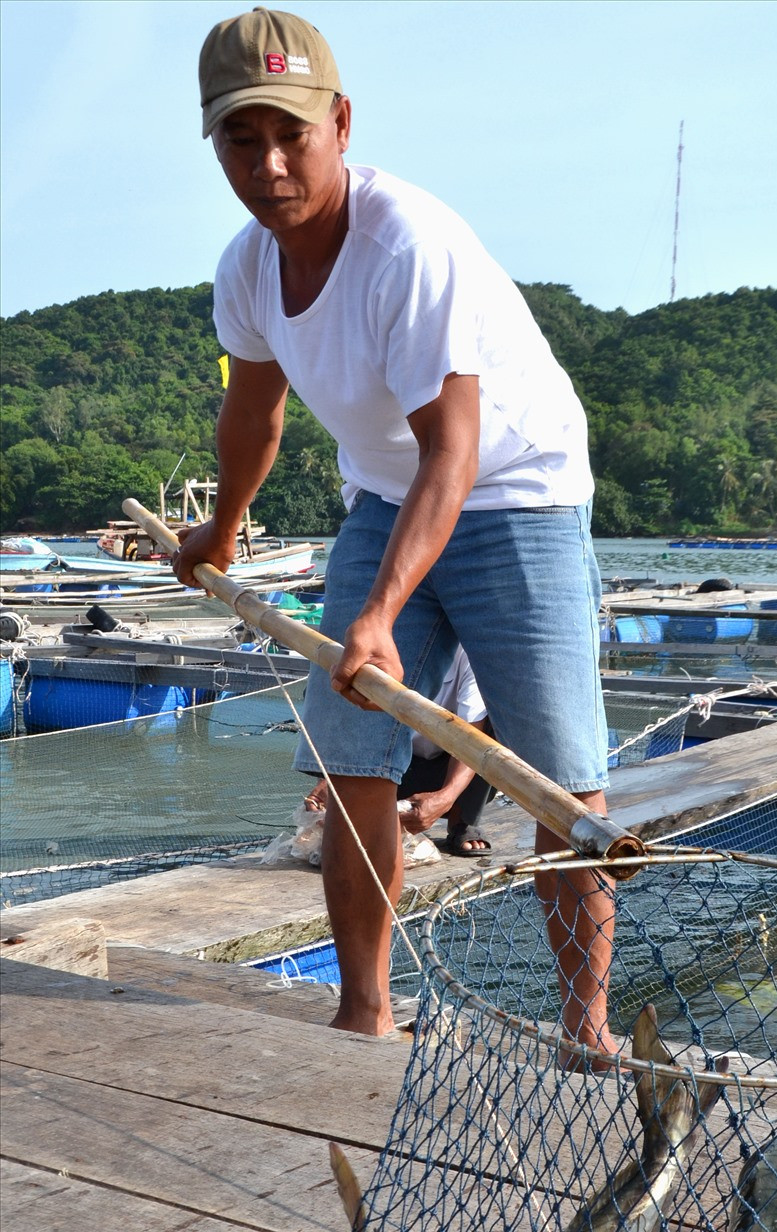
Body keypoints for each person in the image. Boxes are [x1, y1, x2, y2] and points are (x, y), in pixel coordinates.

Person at [176, 7, 616, 1067]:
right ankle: (364, 1013)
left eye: (293, 134)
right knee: (354, 758)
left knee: (562, 782)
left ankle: (587, 1032)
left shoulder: (405, 243)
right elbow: (254, 414)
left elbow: (453, 454)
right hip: (383, 500)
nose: (271, 164)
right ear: (216, 142)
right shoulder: (246, 267)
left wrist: (376, 617)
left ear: (340, 122)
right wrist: (222, 531)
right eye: (243, 139)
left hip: (518, 494)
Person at [306, 645, 495, 856]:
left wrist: (446, 797)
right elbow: (351, 719)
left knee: (495, 723)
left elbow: (471, 738)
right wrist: (334, 776)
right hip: (386, 760)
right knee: (327, 688)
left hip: (446, 766)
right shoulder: (386, 643)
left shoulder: (471, 655)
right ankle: (341, 806)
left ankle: (462, 821)